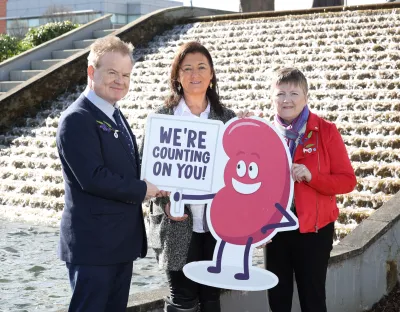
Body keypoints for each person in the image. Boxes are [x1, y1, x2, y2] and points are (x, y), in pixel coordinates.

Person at [56, 35, 164, 312]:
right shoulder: (77, 118)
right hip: (93, 246)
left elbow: (127, 167)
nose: (120, 81)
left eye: (126, 75)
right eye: (112, 73)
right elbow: (93, 177)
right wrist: (143, 189)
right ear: (92, 72)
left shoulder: (114, 113)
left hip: (118, 243)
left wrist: (164, 181)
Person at [142, 41, 236, 312]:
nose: (195, 74)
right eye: (187, 68)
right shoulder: (161, 118)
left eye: (201, 67)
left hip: (217, 227)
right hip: (175, 224)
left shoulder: (228, 120)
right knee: (182, 299)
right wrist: (163, 203)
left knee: (211, 299)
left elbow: (240, 173)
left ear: (211, 75)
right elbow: (145, 174)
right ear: (177, 76)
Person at [266, 67, 357, 312]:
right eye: (280, 94)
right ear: (272, 98)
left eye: (294, 93)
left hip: (314, 232)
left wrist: (312, 177)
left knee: (313, 300)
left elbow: (348, 181)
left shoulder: (326, 131)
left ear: (306, 97)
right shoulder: (264, 134)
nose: (287, 100)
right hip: (275, 231)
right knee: (278, 301)